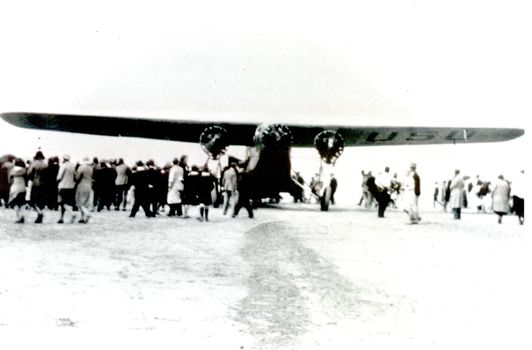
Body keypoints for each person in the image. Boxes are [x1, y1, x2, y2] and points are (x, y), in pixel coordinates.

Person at [27, 150, 48, 223]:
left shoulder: (34, 164)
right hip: (44, 184)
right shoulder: (46, 165)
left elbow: (29, 173)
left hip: (36, 184)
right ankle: (39, 217)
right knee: (41, 201)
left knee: (33, 201)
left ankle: (40, 213)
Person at [56, 154, 77, 223]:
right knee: (68, 203)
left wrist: (57, 180)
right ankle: (61, 218)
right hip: (71, 186)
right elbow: (75, 176)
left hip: (63, 186)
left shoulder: (63, 165)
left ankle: (72, 214)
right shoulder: (73, 166)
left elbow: (59, 177)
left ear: (64, 159)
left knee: (62, 203)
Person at [8, 158, 27, 223]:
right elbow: (27, 179)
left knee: (14, 203)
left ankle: (19, 217)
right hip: (23, 188)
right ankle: (22, 215)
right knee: (21, 204)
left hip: (15, 189)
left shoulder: (12, 170)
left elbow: (9, 181)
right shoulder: (24, 170)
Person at [75, 157, 93, 223]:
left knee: (79, 202)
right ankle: (82, 218)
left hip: (82, 185)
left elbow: (77, 177)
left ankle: (87, 214)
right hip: (89, 186)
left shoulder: (81, 167)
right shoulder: (90, 168)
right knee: (85, 203)